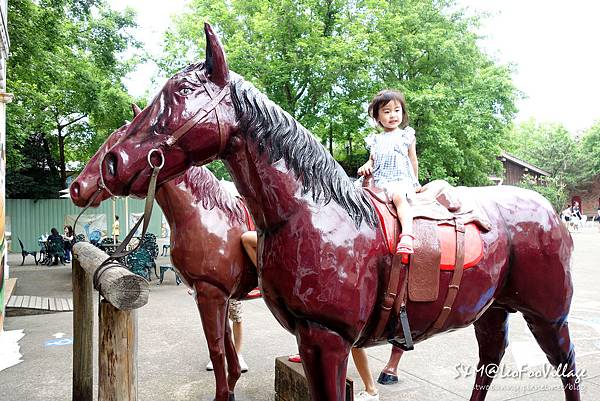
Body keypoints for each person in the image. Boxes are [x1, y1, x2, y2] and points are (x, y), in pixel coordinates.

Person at [241, 231, 380, 400]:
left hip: (332, 281)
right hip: (309, 276)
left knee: (347, 335)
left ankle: (371, 388)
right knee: (309, 326)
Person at [357, 89, 421, 257]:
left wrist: (415, 183)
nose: (393, 115)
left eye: (397, 110)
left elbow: (413, 160)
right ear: (377, 117)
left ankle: (407, 234)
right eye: (387, 111)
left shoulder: (406, 136)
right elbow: (372, 160)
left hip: (399, 179)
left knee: (399, 197)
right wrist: (366, 166)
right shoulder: (375, 140)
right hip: (380, 181)